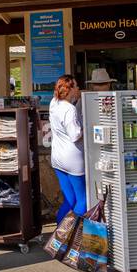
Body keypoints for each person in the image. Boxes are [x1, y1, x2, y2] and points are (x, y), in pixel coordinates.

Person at [49, 74, 86, 225]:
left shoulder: (54, 103)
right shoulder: (69, 109)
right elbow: (75, 135)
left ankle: (59, 238)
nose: (78, 89)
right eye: (76, 86)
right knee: (83, 200)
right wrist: (88, 129)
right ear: (70, 89)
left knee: (69, 200)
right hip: (73, 161)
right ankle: (72, 237)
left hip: (57, 158)